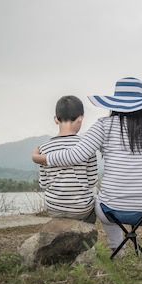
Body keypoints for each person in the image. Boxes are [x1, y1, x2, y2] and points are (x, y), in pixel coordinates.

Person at [32, 77, 142, 256]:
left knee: (99, 197)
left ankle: (117, 249)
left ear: (116, 103)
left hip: (112, 211)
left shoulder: (104, 126)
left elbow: (75, 155)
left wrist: (40, 158)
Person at [38, 95, 98, 224]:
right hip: (81, 209)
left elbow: (43, 183)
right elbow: (92, 181)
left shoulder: (44, 148)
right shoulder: (87, 146)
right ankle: (88, 242)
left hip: (54, 208)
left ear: (55, 119)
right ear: (80, 118)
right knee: (94, 203)